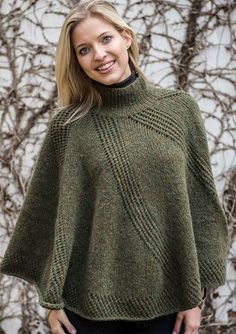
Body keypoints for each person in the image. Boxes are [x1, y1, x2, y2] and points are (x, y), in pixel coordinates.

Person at [0, 1, 229, 334]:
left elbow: (201, 206)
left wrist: (196, 298)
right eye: (84, 49)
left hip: (167, 301)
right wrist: (51, 304)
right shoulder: (69, 125)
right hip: (84, 308)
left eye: (106, 39)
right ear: (76, 61)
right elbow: (44, 213)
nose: (99, 54)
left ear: (126, 37)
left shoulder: (180, 110)